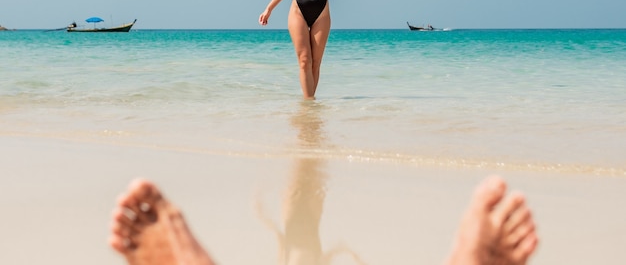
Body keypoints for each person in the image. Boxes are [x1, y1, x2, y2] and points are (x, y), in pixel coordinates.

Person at [109, 175, 538, 265]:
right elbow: (280, 240)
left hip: (304, 223)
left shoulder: (307, 255)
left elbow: (293, 243)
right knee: (301, 198)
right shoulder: (306, 256)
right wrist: (260, 214)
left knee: (303, 200)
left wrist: (348, 251)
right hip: (301, 223)